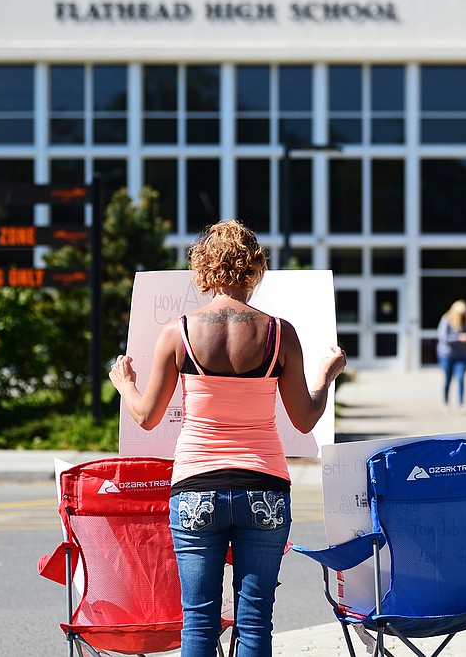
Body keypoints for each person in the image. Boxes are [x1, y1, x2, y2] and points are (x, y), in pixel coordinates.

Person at [108, 220, 346, 657]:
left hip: (197, 485)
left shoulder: (178, 332)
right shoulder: (280, 332)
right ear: (254, 269)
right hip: (265, 487)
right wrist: (326, 378)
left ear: (203, 268)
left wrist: (123, 381)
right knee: (255, 620)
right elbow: (305, 418)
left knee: (198, 620)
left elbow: (146, 416)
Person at [435, 300, 466, 412]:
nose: (464, 315)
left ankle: (461, 404)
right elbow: (443, 337)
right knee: (448, 379)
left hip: (462, 355)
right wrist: (459, 338)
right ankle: (446, 402)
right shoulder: (447, 320)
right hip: (447, 355)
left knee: (461, 379)